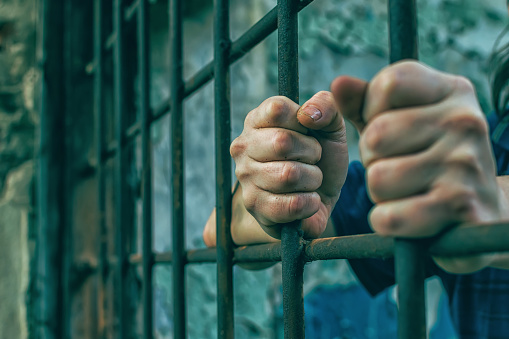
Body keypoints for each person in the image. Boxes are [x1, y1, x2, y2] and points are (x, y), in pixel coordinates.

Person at [203, 10, 509, 339]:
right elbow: (219, 232)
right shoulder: (486, 144)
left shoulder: (470, 159)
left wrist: (489, 212)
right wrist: (285, 192)